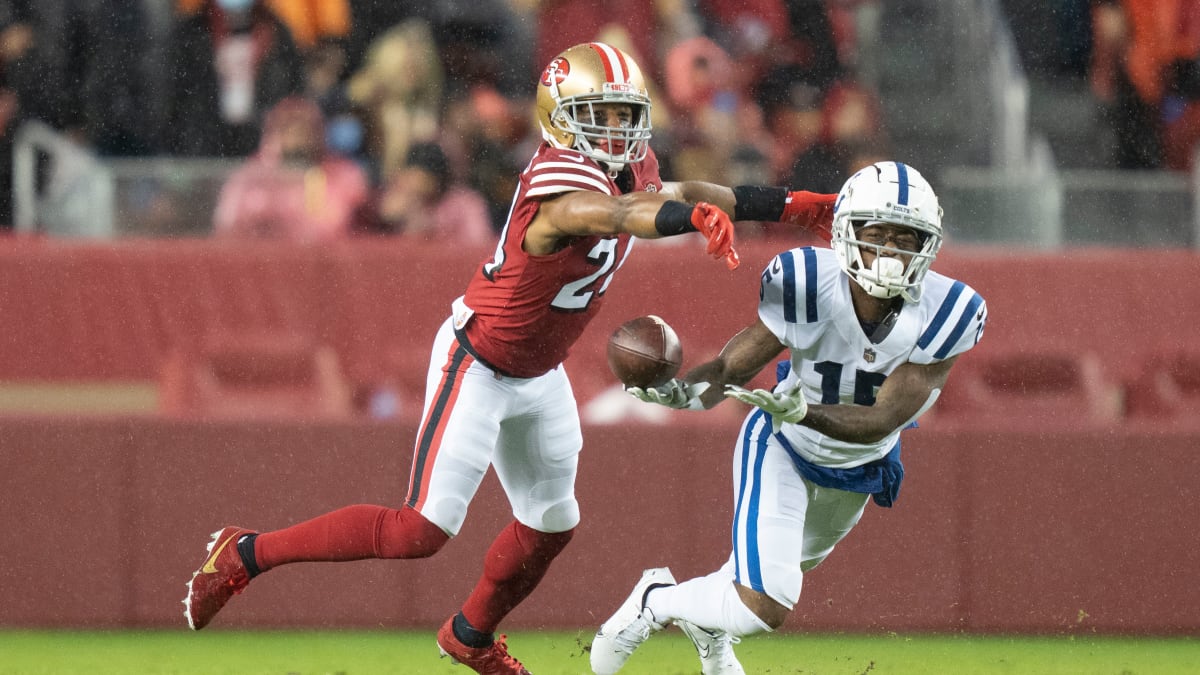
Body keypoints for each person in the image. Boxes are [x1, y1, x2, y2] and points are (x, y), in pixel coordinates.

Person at [183, 41, 835, 675]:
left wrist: (789, 206)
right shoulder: (557, 178)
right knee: (421, 529)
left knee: (552, 523)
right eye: (598, 116)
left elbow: (682, 186)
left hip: (538, 372)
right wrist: (680, 219)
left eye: (623, 115)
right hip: (480, 361)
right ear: (560, 115)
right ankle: (244, 553)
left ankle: (470, 635)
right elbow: (610, 211)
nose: (615, 131)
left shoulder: (631, 167)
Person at [589, 161, 988, 675]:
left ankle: (708, 626)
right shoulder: (807, 281)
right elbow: (735, 366)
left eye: (905, 237)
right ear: (846, 234)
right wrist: (685, 394)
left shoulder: (949, 310)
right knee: (767, 603)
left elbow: (881, 418)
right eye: (878, 234)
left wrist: (807, 408)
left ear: (928, 245)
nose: (890, 251)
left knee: (757, 581)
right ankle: (656, 599)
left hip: (860, 465)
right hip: (784, 445)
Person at [212, 95, 371, 242]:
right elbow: (228, 226)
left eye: (306, 128)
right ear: (274, 132)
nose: (298, 136)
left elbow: (355, 224)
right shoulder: (250, 177)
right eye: (289, 127)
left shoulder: (346, 175)